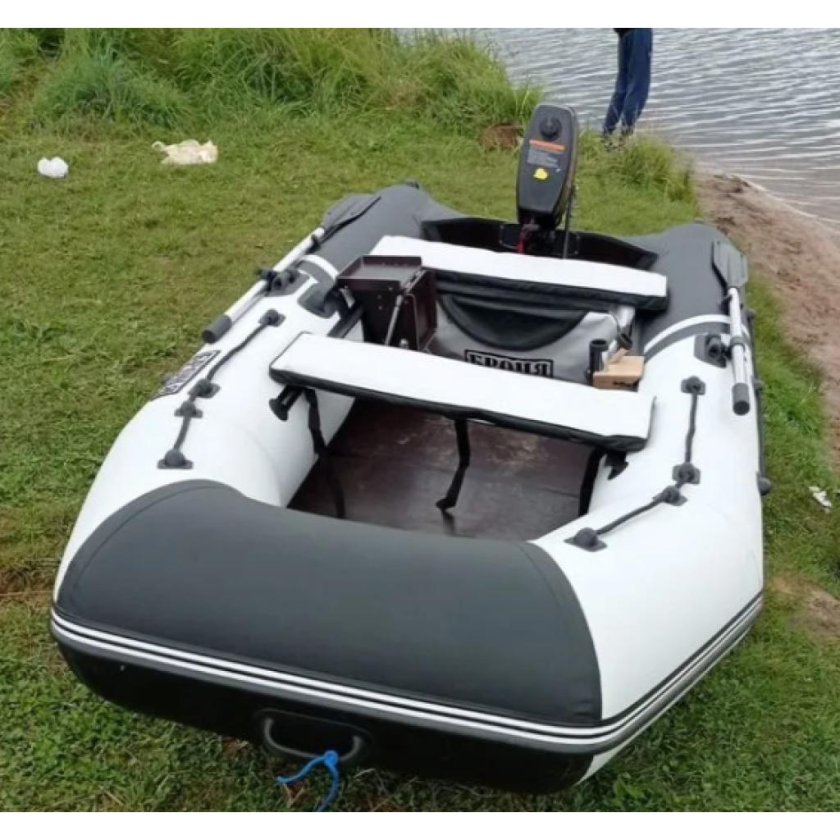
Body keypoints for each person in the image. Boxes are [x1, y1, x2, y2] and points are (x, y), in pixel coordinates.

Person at [603, 28, 653, 139]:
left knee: (622, 88)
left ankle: (606, 135)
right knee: (638, 88)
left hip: (624, 32)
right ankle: (625, 140)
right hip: (639, 32)